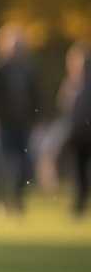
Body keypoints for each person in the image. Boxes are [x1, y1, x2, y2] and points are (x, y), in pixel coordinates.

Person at [0, 24, 40, 211]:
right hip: (1, 125)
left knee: (23, 166)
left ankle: (17, 202)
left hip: (23, 125)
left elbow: (36, 97)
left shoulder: (28, 70)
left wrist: (36, 119)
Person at [58, 42, 91, 216]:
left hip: (88, 134)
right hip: (76, 135)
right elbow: (63, 106)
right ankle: (79, 206)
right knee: (78, 173)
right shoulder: (70, 83)